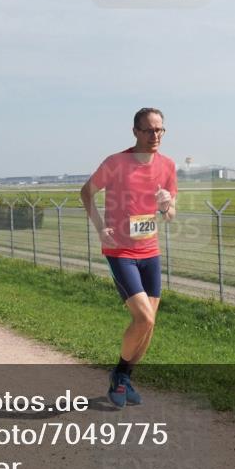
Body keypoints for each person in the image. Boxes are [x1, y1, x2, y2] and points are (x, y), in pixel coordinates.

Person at [80, 107, 177, 408]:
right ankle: (120, 374)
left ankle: (124, 378)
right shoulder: (116, 163)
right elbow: (86, 192)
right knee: (143, 316)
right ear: (135, 131)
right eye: (149, 130)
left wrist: (165, 207)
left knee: (150, 324)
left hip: (150, 251)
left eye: (160, 130)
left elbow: (171, 215)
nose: (155, 135)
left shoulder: (168, 166)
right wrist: (100, 228)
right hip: (120, 251)